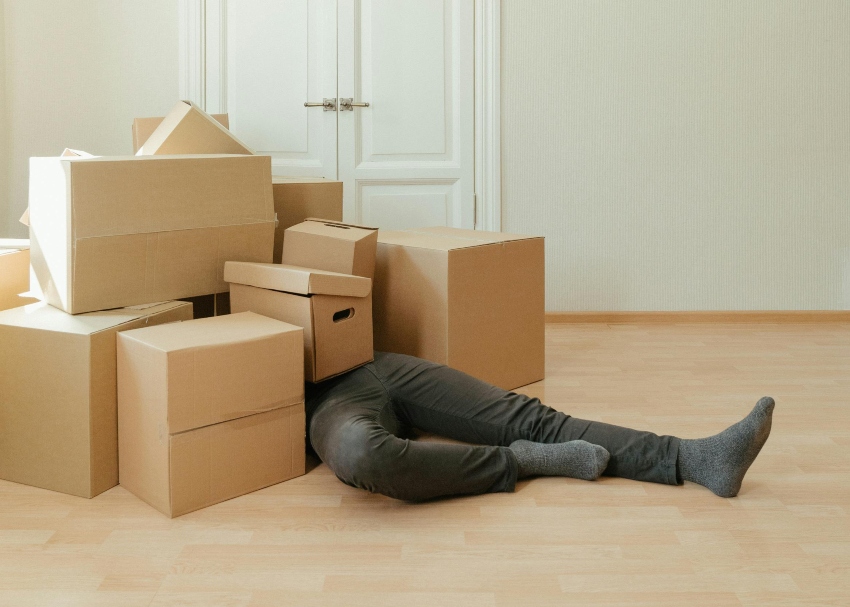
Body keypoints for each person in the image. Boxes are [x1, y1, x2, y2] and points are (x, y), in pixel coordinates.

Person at [306, 352, 774, 501]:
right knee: (366, 454)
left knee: (532, 418)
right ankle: (523, 460)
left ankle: (695, 458)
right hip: (322, 400)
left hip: (368, 358)